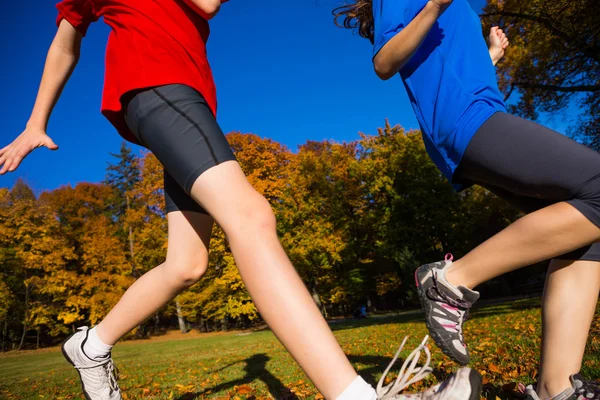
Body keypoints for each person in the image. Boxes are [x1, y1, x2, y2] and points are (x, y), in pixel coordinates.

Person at [0, 1, 483, 399]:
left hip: (182, 101)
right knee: (251, 217)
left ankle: (91, 344)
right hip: (155, 85)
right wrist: (36, 121)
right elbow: (67, 39)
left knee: (187, 264)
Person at [333, 0, 600, 399]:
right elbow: (384, 61)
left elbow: (451, 71)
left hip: (480, 112)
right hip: (467, 123)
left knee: (585, 232)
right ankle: (450, 281)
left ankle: (555, 388)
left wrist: (489, 55)